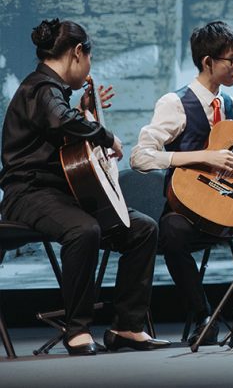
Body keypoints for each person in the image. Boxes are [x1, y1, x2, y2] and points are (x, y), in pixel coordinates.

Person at [1, 19, 168, 354]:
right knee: (84, 230)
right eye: (90, 57)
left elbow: (62, 134)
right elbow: (61, 120)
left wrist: (86, 113)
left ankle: (127, 326)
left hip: (63, 196)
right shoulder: (40, 87)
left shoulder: (54, 94)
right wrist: (106, 136)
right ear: (78, 52)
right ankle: (77, 329)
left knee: (142, 229)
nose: (90, 66)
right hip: (28, 194)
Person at [130, 21, 233, 345]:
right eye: (232, 59)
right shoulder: (174, 103)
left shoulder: (232, 105)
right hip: (191, 212)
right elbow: (140, 157)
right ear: (207, 61)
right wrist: (203, 157)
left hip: (231, 207)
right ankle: (203, 315)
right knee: (171, 230)